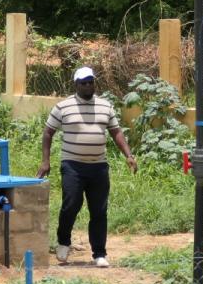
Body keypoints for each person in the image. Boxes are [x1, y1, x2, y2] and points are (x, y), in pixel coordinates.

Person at [36, 67, 136, 268]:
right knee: (71, 205)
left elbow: (116, 132)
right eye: (83, 82)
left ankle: (99, 253)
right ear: (76, 84)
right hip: (72, 165)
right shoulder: (63, 107)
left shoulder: (105, 106)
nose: (88, 85)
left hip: (98, 167)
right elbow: (48, 133)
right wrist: (45, 161)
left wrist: (129, 155)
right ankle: (63, 242)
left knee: (99, 210)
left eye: (91, 82)